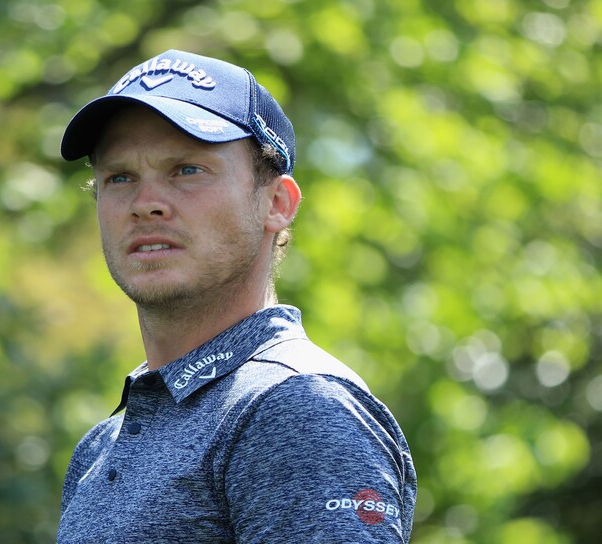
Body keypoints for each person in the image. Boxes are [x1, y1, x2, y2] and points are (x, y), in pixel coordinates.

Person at [56, 49, 417, 543]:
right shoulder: (99, 448)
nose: (146, 205)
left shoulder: (296, 408)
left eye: (187, 170)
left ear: (277, 204)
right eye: (119, 178)